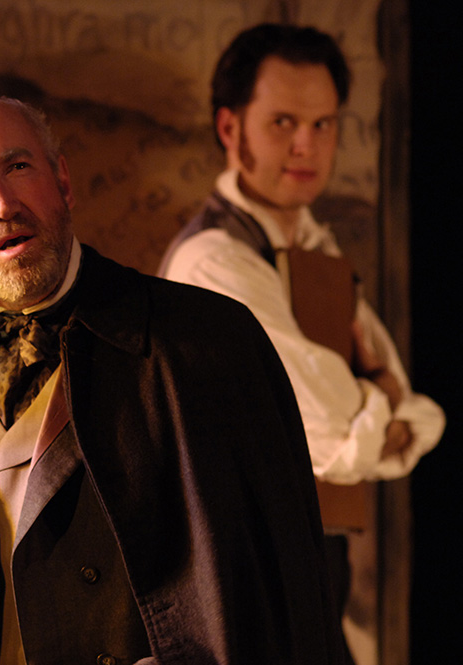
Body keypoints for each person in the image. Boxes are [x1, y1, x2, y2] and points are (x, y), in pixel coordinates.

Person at [0, 96, 346, 664]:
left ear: (64, 181)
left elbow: (278, 599)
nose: (1, 203)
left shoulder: (207, 344)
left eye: (18, 167)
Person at [158, 23, 445, 661]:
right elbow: (342, 436)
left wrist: (383, 402)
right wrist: (383, 397)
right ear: (230, 130)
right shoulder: (216, 263)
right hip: (246, 583)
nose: (306, 146)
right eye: (284, 122)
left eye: (323, 124)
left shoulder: (313, 244)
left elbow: (419, 418)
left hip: (311, 564)